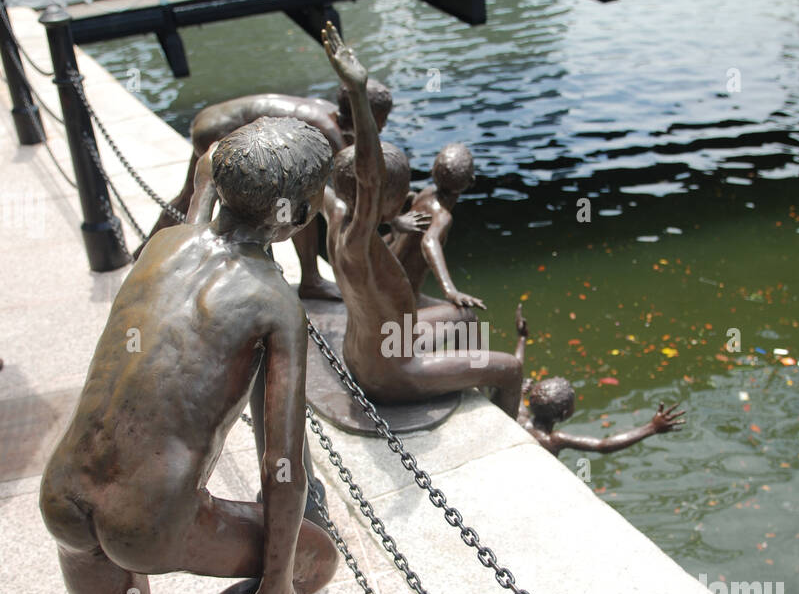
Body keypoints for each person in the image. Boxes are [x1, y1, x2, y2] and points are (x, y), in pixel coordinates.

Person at [40, 116, 340, 594]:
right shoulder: (275, 306)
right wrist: (272, 589)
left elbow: (205, 176)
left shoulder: (166, 243)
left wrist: (218, 161)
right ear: (293, 216)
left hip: (65, 492)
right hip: (150, 522)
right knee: (315, 557)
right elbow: (282, 468)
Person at [319, 22, 528, 415]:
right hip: (393, 371)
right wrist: (359, 94)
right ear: (382, 198)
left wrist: (391, 220)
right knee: (512, 368)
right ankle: (504, 419)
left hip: (379, 345)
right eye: (398, 193)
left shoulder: (335, 212)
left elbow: (352, 177)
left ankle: (468, 375)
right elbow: (367, 176)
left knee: (465, 317)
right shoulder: (359, 235)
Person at [142, 78, 393, 300]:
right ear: (365, 115)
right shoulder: (330, 132)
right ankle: (307, 279)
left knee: (190, 194)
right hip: (224, 130)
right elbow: (352, 187)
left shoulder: (331, 116)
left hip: (210, 121)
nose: (381, 128)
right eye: (379, 121)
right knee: (294, 202)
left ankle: (142, 255)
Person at [388, 142, 485, 317]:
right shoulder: (442, 216)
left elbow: (408, 202)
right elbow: (429, 241)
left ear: (433, 173)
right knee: (468, 317)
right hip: (402, 298)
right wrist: (451, 291)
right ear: (472, 181)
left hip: (385, 282)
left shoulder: (426, 193)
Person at [519, 377, 686, 458]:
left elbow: (518, 376)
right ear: (564, 414)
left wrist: (522, 338)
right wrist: (651, 428)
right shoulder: (553, 439)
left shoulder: (521, 416)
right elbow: (602, 445)